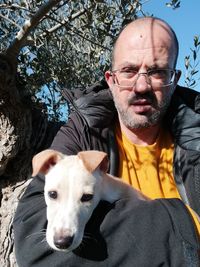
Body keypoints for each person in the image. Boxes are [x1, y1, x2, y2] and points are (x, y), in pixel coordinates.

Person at [13, 17, 200, 267]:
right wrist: (185, 230)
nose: (141, 85)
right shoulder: (82, 130)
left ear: (174, 78)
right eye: (129, 71)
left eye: (157, 72)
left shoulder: (196, 134)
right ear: (110, 79)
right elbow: (32, 246)